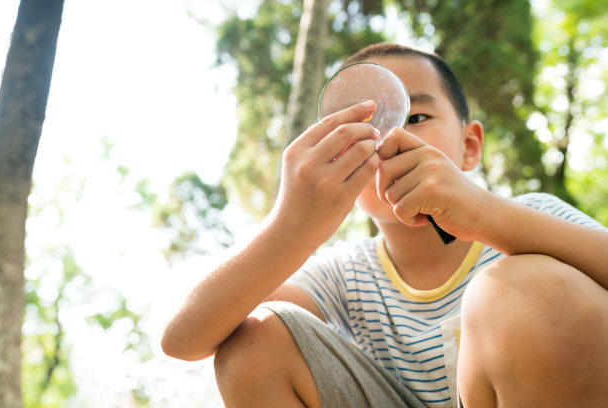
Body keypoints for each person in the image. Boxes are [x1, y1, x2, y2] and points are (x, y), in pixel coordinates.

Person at [161, 43, 608, 408]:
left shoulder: (530, 215)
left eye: (415, 118)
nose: (390, 137)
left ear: (470, 146)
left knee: (525, 285)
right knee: (253, 340)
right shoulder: (344, 278)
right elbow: (183, 338)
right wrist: (291, 227)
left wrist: (487, 214)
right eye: (362, 128)